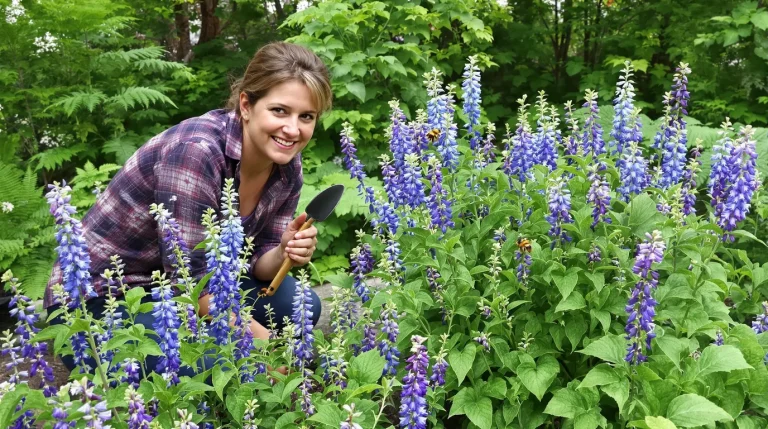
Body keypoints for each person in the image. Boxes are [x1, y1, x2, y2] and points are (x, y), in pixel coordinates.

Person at [45, 41, 332, 374]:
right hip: (106, 296)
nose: (293, 129)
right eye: (280, 111)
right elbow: (191, 284)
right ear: (246, 105)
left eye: (306, 116)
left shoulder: (287, 165)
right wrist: (267, 349)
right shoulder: (196, 152)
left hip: (187, 288)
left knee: (302, 307)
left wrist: (282, 252)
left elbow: (256, 265)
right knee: (221, 365)